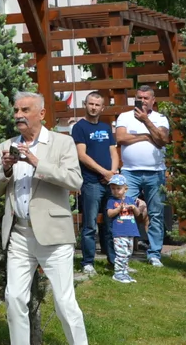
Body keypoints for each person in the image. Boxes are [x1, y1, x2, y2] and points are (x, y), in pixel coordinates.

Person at [0, 92, 88, 345]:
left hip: (54, 235)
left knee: (64, 301)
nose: (19, 115)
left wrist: (36, 163)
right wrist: (6, 170)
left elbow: (75, 181)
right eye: (16, 111)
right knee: (14, 298)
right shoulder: (5, 147)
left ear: (41, 113)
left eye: (25, 110)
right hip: (19, 234)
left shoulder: (61, 143)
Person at [114, 85, 170, 267]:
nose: (143, 101)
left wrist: (146, 121)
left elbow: (162, 140)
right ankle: (124, 252)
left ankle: (154, 253)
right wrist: (146, 137)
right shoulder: (125, 116)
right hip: (130, 171)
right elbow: (121, 138)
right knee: (125, 210)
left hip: (156, 172)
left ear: (153, 100)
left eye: (146, 98)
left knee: (156, 212)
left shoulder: (160, 118)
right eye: (139, 97)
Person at [72, 92, 120, 274]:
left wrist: (113, 173)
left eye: (97, 104)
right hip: (91, 182)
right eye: (90, 103)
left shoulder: (106, 127)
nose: (93, 107)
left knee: (111, 223)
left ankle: (114, 259)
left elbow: (113, 152)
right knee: (90, 224)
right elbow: (81, 155)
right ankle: (88, 262)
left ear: (102, 108)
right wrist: (104, 172)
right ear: (85, 104)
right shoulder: (79, 127)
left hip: (110, 182)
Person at [105, 173, 147, 284]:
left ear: (125, 189)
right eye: (113, 188)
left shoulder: (129, 199)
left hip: (130, 231)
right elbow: (109, 214)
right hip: (119, 232)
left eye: (118, 188)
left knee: (128, 252)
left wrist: (134, 207)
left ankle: (124, 272)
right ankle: (118, 273)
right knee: (121, 253)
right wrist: (118, 209)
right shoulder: (112, 201)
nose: (115, 191)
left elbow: (138, 214)